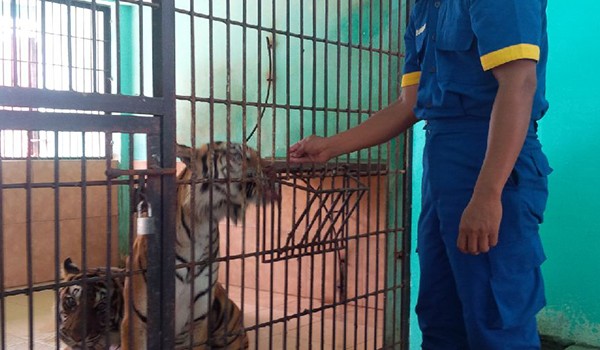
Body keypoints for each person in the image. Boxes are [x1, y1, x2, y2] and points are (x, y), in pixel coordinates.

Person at [288, 0, 552, 349]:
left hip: (490, 159)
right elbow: (409, 103)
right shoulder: (424, 7)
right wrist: (331, 146)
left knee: (495, 318)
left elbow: (519, 83)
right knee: (439, 312)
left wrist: (488, 194)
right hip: (440, 162)